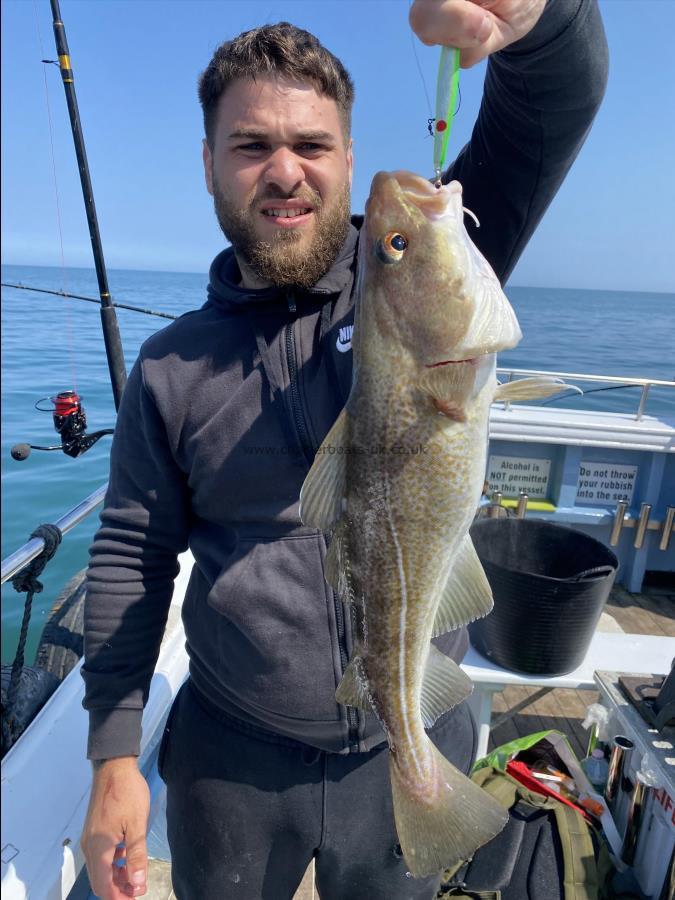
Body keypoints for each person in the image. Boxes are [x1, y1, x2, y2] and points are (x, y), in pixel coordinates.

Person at [80, 1, 608, 897]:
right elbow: (131, 553)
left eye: (313, 146)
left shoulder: (407, 276)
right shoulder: (170, 368)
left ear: (348, 161)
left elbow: (549, 108)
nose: (285, 171)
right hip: (230, 755)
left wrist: (542, 18)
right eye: (251, 146)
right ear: (209, 164)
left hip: (402, 739)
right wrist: (113, 755)